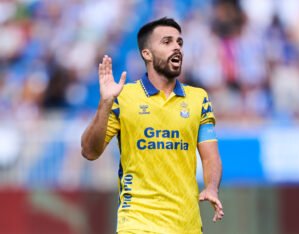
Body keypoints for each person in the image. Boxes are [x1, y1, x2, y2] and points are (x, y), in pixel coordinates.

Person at [81, 17, 224, 234]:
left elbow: (210, 156)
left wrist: (212, 187)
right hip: (137, 223)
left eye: (179, 42)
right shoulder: (124, 96)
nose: (176, 47)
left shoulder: (198, 98)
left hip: (187, 225)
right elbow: (90, 151)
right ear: (146, 53)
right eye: (167, 42)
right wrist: (106, 103)